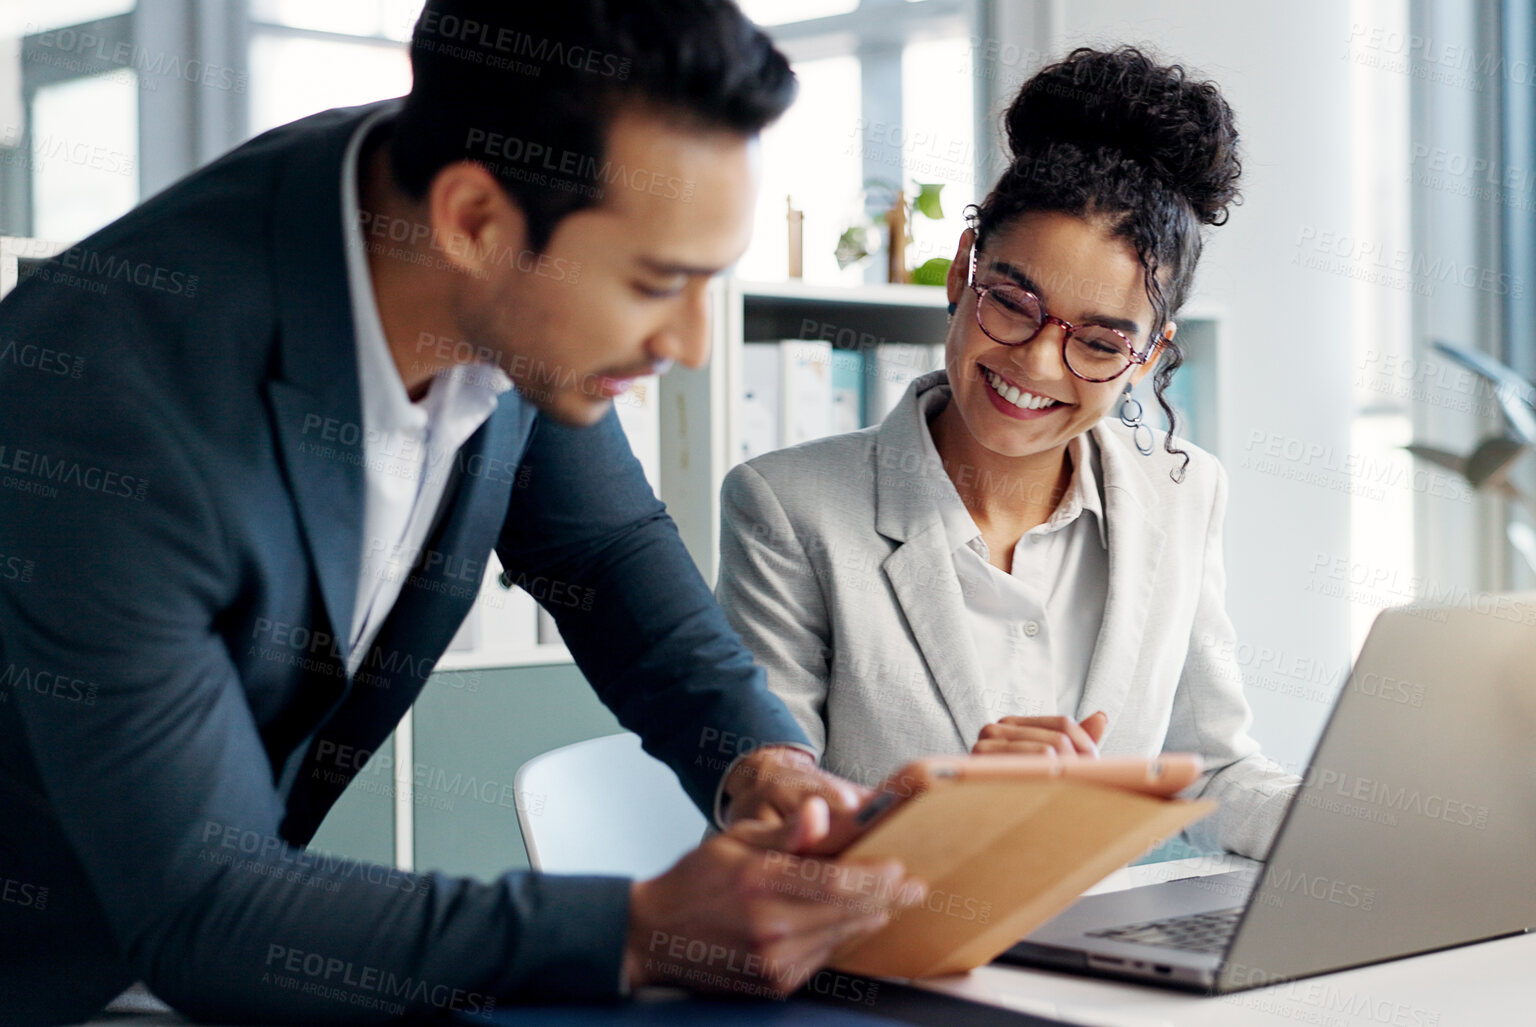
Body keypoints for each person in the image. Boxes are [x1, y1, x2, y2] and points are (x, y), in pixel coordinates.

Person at [0, 2, 922, 1023]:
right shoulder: (107, 405)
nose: (695, 344)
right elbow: (205, 906)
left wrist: (766, 762)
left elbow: (605, 551)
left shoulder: (487, 230)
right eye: (658, 283)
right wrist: (642, 926)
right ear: (472, 223)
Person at [717, 47, 1295, 861]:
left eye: (1097, 342)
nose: (1036, 363)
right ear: (964, 270)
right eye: (1013, 303)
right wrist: (928, 804)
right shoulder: (786, 507)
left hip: (1101, 961)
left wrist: (1349, 828)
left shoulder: (1184, 492)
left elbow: (1213, 764)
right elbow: (769, 825)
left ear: (1150, 357)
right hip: (885, 957)